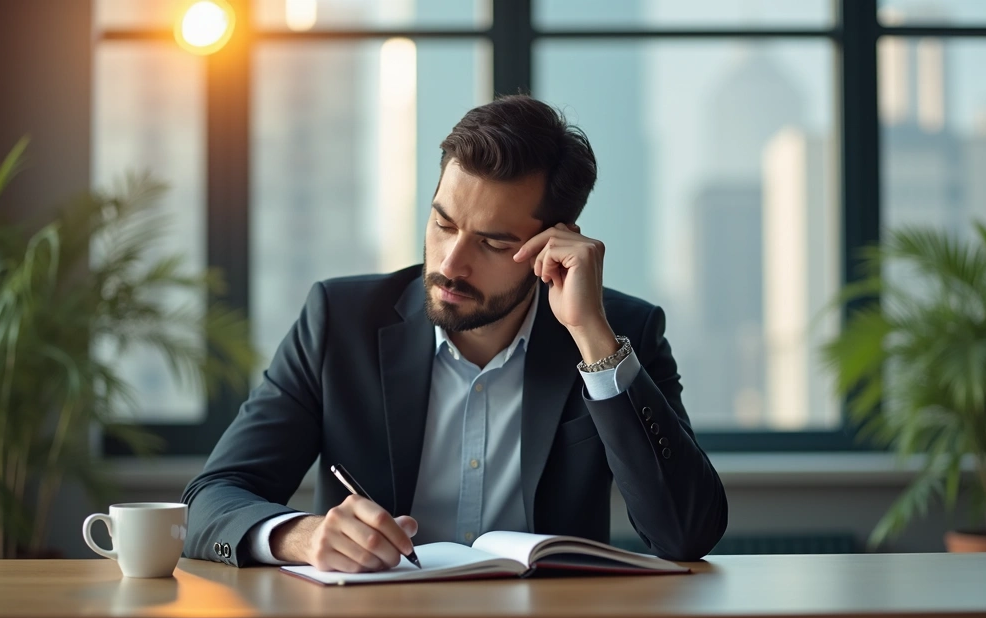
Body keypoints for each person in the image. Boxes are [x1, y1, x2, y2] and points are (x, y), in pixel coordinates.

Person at [182, 94, 727, 571]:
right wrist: (302, 537)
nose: (451, 263)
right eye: (443, 224)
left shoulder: (619, 333)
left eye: (491, 243)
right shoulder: (340, 322)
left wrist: (592, 339)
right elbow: (212, 500)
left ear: (552, 246)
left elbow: (685, 534)